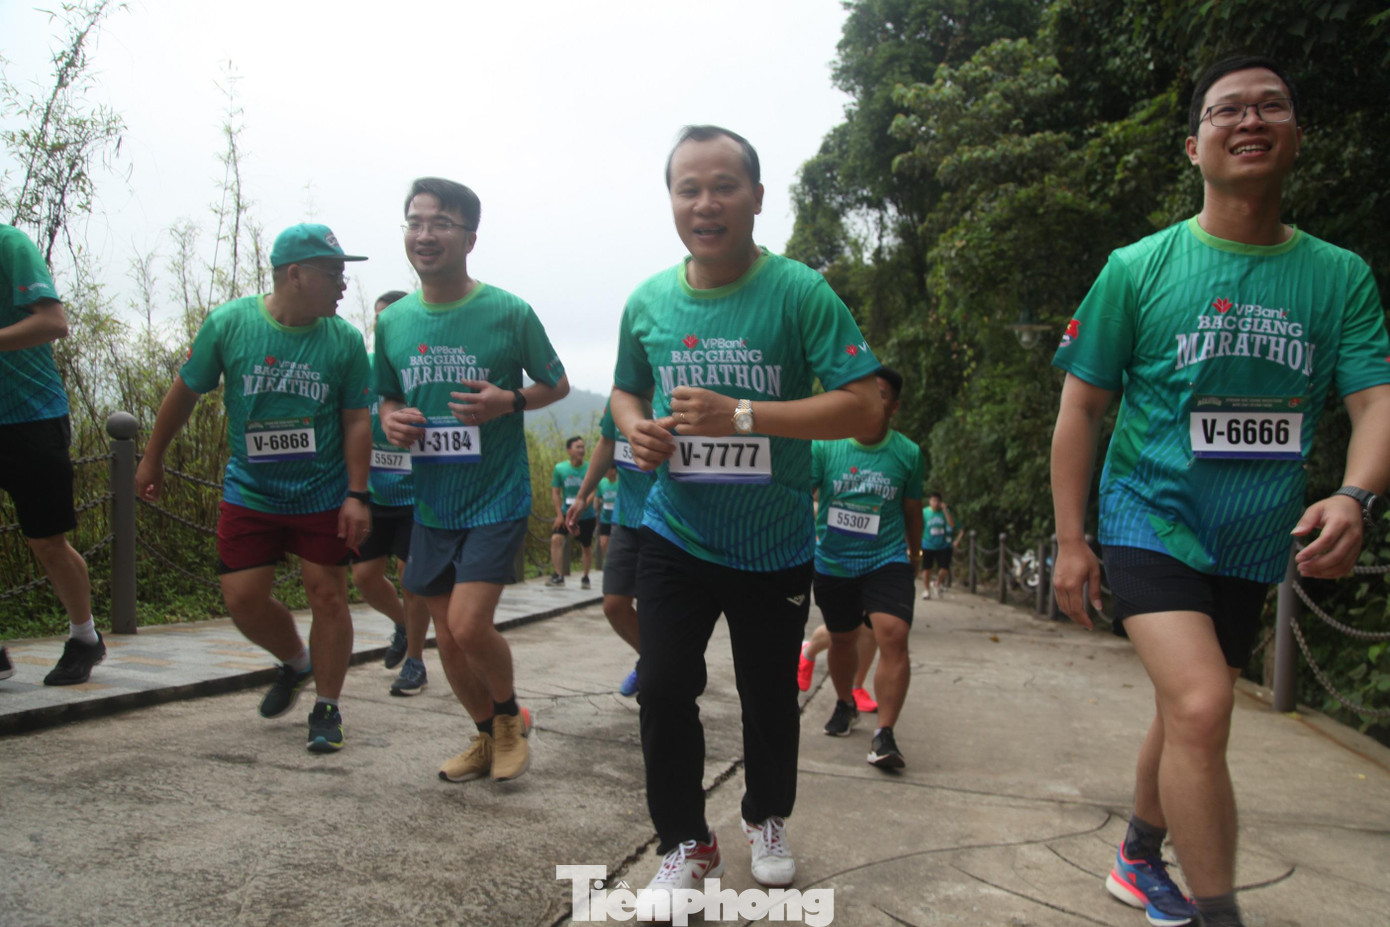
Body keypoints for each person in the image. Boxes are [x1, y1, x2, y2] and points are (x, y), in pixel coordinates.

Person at [1050, 56, 1390, 927]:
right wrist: (1073, 539)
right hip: (1148, 515)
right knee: (1202, 703)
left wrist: (1354, 496)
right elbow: (1083, 406)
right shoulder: (1138, 267)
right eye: (1227, 109)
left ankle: (1137, 852)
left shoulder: (1339, 275)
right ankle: (1220, 914)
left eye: (1271, 105)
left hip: (1253, 537)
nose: (1250, 120)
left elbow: (1373, 400)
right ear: (1194, 143)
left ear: (1295, 136)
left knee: (1188, 708)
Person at [611, 125, 882, 918]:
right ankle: (684, 842)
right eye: (688, 188)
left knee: (767, 697)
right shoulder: (649, 300)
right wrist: (634, 426)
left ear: (757, 198)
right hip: (677, 531)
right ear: (671, 201)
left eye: (724, 185)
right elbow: (628, 388)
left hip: (773, 544)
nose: (706, 203)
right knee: (662, 685)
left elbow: (863, 402)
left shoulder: (800, 292)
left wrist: (745, 414)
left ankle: (765, 814)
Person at [136, 223, 373, 753]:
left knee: (328, 594)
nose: (342, 285)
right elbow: (186, 392)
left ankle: (327, 708)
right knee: (242, 599)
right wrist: (152, 458)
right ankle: (297, 661)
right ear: (295, 274)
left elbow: (359, 420)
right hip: (252, 489)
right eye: (333, 274)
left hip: (322, 491)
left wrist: (358, 494)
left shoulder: (344, 340)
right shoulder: (230, 324)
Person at [376, 177, 568, 784]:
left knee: (467, 624)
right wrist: (392, 419)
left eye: (439, 224)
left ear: (469, 238)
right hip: (431, 502)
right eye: (414, 222)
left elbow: (555, 384)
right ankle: (487, 737)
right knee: (447, 639)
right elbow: (382, 396)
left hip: (496, 495)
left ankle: (510, 719)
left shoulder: (509, 311)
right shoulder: (394, 321)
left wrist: (506, 400)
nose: (424, 235)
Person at [0, 223, 105, 686]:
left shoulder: (10, 245)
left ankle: (84, 637)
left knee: (47, 542)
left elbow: (53, 322)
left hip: (32, 416)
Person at [807, 366, 923, 768]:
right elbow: (800, 493)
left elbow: (912, 511)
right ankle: (844, 703)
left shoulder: (908, 453)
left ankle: (885, 733)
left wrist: (916, 556)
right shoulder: (825, 447)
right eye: (866, 392)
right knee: (842, 640)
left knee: (893, 634)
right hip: (835, 562)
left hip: (886, 559)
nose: (873, 399)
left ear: (894, 406)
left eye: (883, 393)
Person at [352, 289, 432, 697]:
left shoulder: (422, 368)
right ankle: (403, 624)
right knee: (365, 576)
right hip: (371, 494)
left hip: (415, 498)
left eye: (393, 319)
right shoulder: (362, 369)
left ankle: (415, 662)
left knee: (411, 578)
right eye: (379, 320)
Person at [566, 401, 652, 696]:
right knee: (614, 604)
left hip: (667, 522)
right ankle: (655, 663)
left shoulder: (673, 381)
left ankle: (658, 671)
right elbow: (607, 443)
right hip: (626, 521)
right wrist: (582, 496)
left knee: (657, 611)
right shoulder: (620, 397)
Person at [547, 436, 596, 588]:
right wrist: (559, 515)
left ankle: (586, 577)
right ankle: (558, 575)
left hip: (586, 515)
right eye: (578, 447)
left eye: (583, 447)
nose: (581, 450)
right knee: (556, 539)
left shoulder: (591, 467)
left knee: (585, 546)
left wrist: (582, 508)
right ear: (569, 450)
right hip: (566, 513)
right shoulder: (560, 468)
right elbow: (555, 492)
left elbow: (593, 490)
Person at [920, 492, 956, 599]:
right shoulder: (924, 512)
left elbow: (952, 524)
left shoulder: (945, 512)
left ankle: (937, 583)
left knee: (944, 568)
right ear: (930, 501)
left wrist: (945, 510)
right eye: (933, 500)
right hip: (928, 544)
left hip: (943, 545)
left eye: (937, 501)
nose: (935, 503)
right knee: (927, 569)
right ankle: (926, 590)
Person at [596, 465, 618, 559]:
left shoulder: (621, 483)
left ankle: (615, 562)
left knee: (616, 543)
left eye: (608, 469)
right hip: (605, 517)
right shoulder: (602, 482)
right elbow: (597, 497)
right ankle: (608, 561)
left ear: (613, 470)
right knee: (603, 543)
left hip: (617, 519)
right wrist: (596, 505)